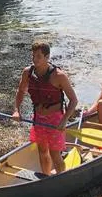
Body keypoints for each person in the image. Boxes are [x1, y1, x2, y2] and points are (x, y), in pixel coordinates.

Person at [12, 40, 79, 176]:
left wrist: (64, 121)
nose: (35, 59)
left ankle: (61, 180)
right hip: (38, 118)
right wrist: (16, 110)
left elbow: (73, 100)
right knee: (42, 151)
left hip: (55, 119)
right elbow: (20, 92)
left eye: (39, 56)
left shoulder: (59, 76)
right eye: (33, 56)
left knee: (55, 153)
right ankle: (46, 177)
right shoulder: (27, 73)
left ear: (47, 57)